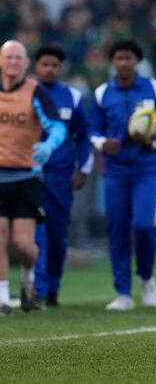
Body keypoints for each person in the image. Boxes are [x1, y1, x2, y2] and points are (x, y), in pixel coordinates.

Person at [89, 39, 156, 311]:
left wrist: (154, 142)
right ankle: (123, 293)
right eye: (118, 58)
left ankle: (147, 277)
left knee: (143, 226)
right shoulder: (103, 93)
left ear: (136, 61)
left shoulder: (154, 89)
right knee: (117, 230)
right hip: (115, 172)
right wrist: (103, 143)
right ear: (112, 62)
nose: (123, 63)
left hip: (146, 170)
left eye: (128, 58)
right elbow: (92, 129)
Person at [0, 40, 66, 316]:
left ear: (26, 63)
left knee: (23, 245)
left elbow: (58, 127)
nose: (14, 62)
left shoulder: (36, 92)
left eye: (19, 58)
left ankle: (28, 279)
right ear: (1, 61)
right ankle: (3, 297)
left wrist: (49, 146)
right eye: (9, 57)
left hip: (27, 176)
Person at [32, 44, 94, 308]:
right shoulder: (24, 94)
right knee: (34, 234)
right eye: (44, 64)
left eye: (54, 65)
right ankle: (38, 289)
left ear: (61, 68)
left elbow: (84, 136)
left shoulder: (72, 96)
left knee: (57, 235)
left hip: (61, 176)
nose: (49, 68)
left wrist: (83, 169)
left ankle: (53, 286)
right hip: (27, 175)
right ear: (36, 66)